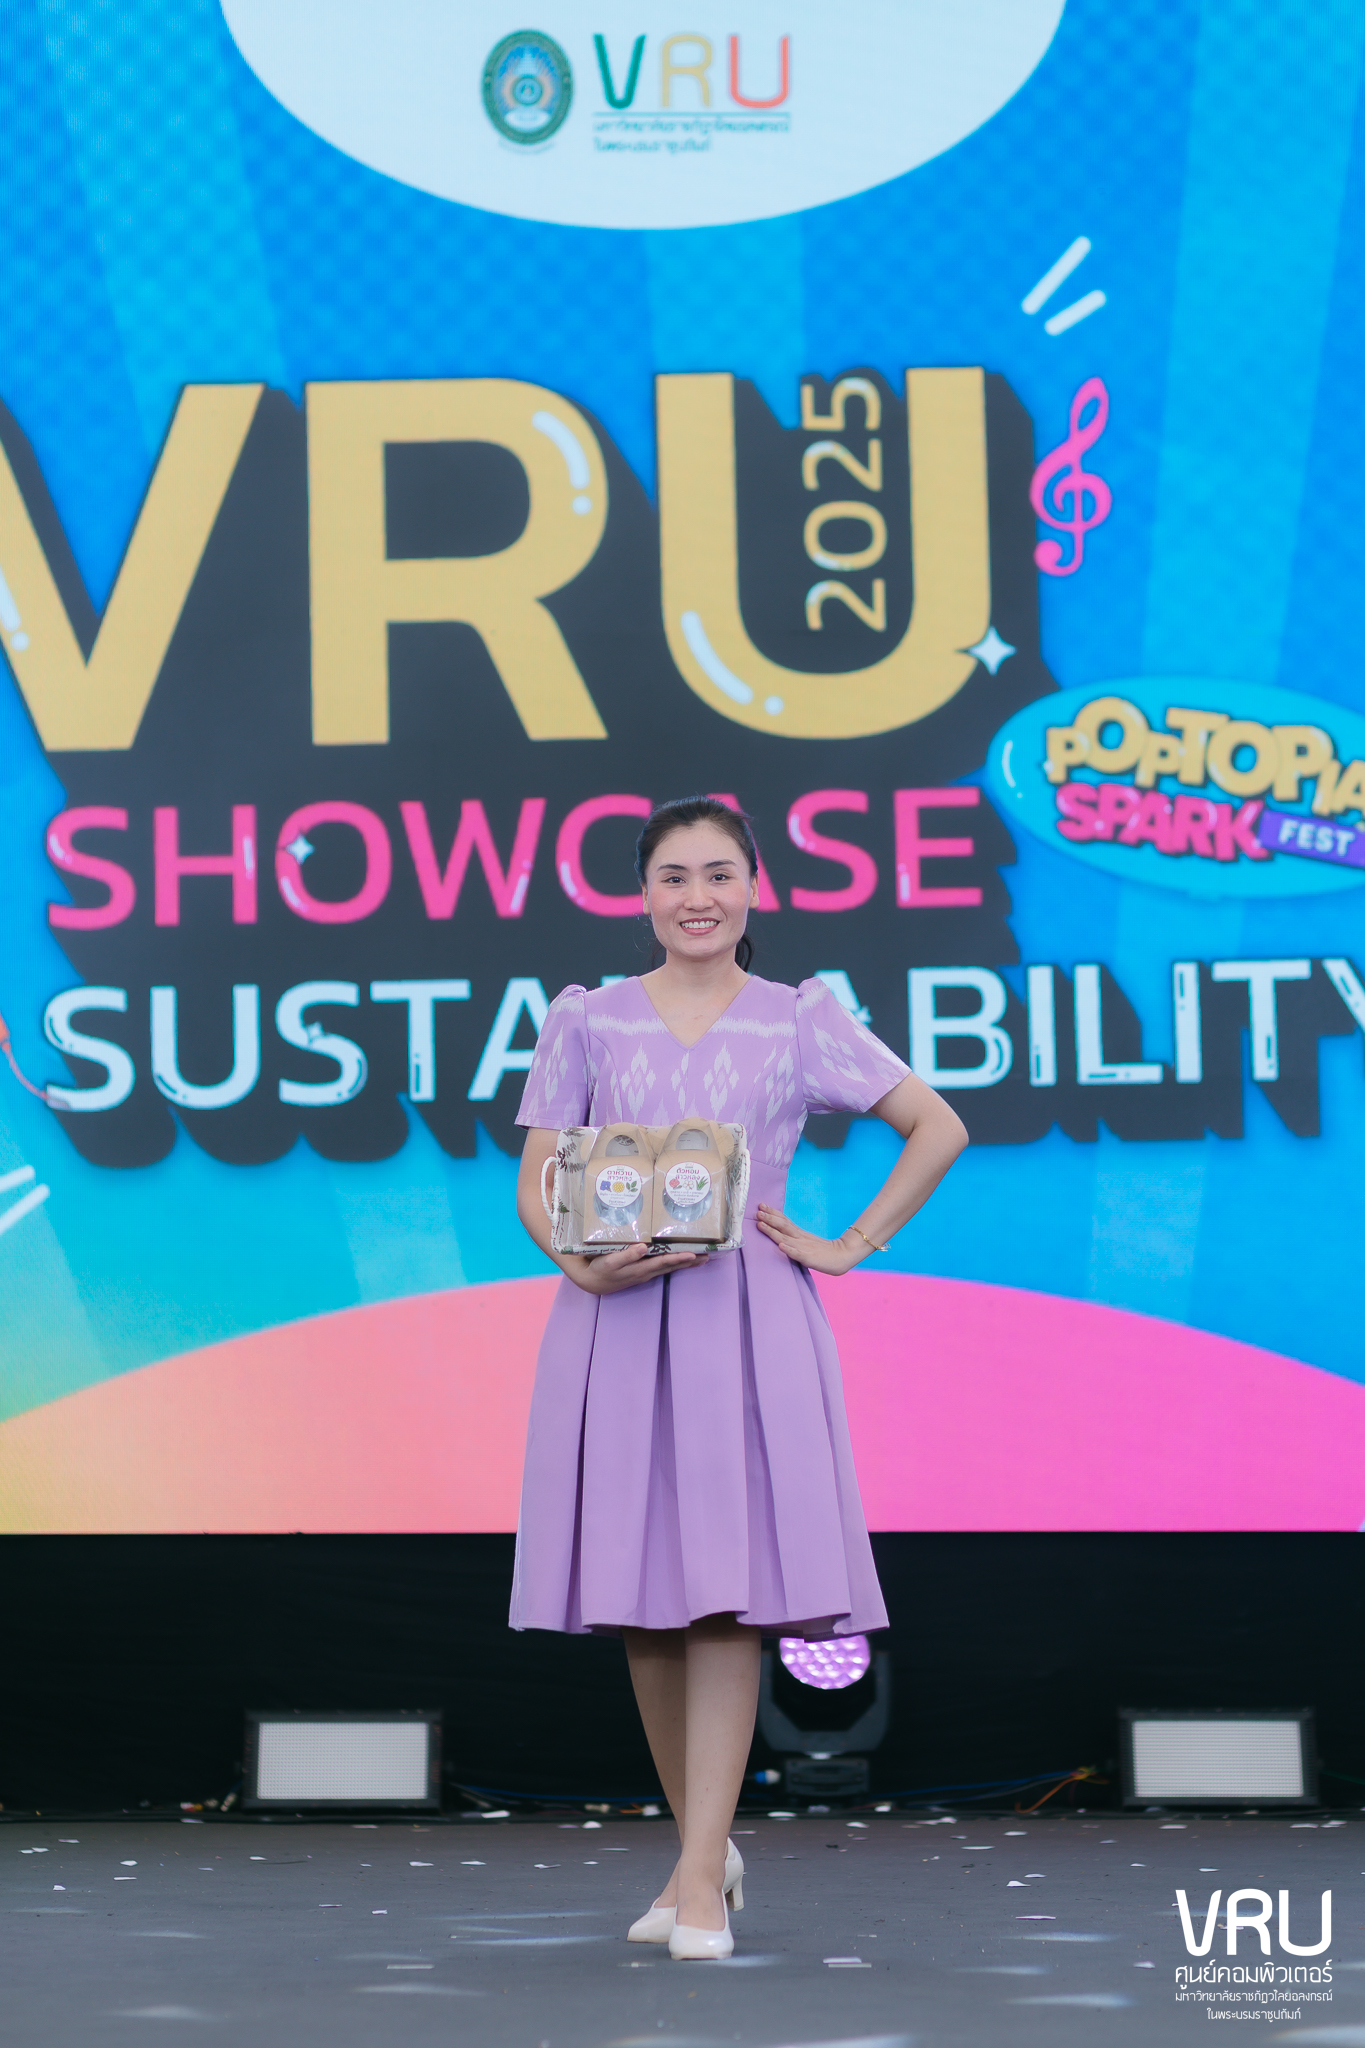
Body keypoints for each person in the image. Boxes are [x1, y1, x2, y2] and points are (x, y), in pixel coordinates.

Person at [513, 795, 967, 1959]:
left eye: (718, 873)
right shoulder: (587, 1018)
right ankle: (700, 1850)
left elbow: (936, 1124)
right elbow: (541, 1175)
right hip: (617, 1318)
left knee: (725, 1596)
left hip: (747, 1319)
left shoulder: (798, 1017)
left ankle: (703, 1878)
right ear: (642, 893)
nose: (697, 896)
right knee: (643, 1601)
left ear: (755, 885)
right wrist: (579, 1260)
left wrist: (850, 1242)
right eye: (673, 875)